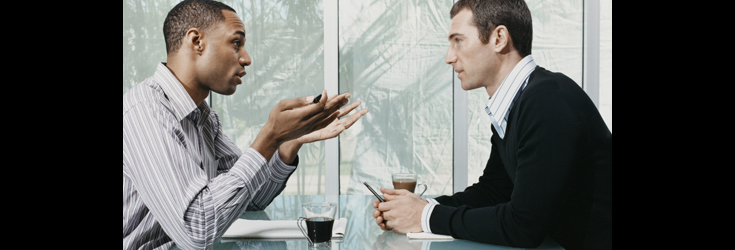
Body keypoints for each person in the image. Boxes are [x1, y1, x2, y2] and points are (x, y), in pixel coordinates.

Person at [123, 1, 368, 249]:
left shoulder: (205, 119)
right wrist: (269, 137)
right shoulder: (144, 112)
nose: (246, 58)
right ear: (197, 41)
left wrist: (289, 141)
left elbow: (250, 199)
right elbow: (196, 230)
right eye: (236, 43)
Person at [371, 0, 612, 249]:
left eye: (459, 41)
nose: (449, 57)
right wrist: (415, 209)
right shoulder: (519, 101)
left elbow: (523, 226)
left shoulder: (547, 102)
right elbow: (494, 192)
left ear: (499, 38)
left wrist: (424, 217)